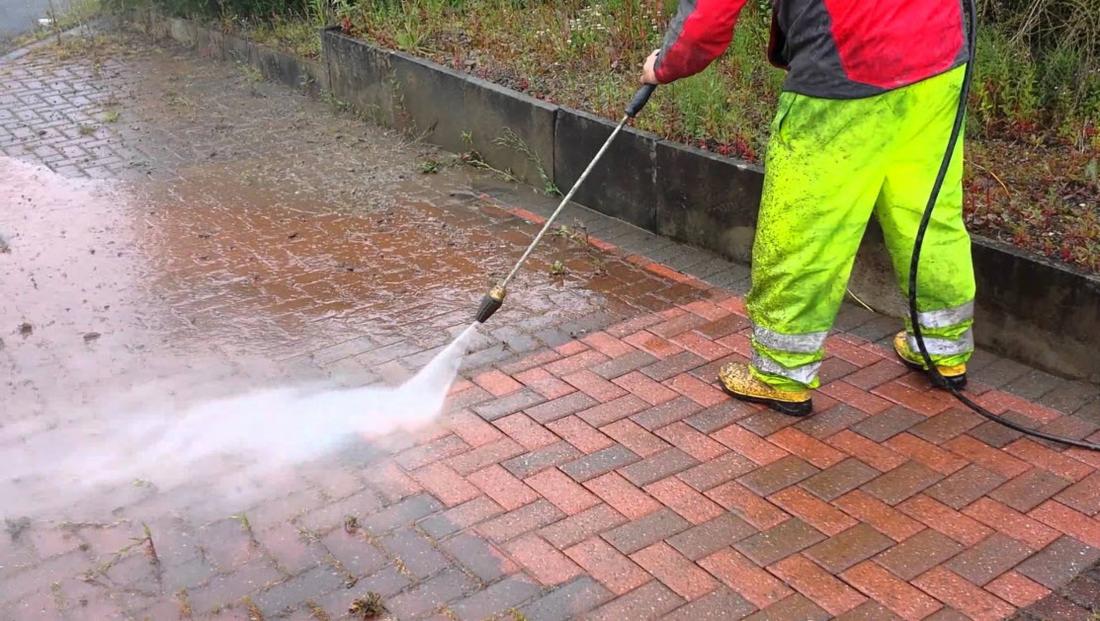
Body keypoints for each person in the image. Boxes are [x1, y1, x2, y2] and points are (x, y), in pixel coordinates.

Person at [641, 0, 975, 416]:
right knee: (926, 212)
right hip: (939, 60)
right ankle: (943, 349)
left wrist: (666, 64)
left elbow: (708, 13)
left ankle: (782, 374)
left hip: (846, 76)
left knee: (804, 230)